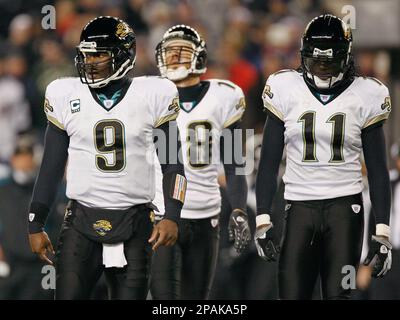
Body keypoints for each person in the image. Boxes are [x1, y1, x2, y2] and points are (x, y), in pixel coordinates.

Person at [27, 16, 186, 300]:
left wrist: (172, 214)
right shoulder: (65, 94)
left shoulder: (153, 94)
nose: (90, 62)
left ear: (124, 55)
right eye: (86, 54)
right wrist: (36, 221)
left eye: (99, 54)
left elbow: (173, 163)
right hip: (80, 220)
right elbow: (50, 166)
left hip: (136, 221)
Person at [255, 14, 392, 300]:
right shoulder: (284, 88)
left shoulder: (366, 94)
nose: (323, 66)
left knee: (341, 294)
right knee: (291, 295)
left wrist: (382, 233)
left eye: (330, 60)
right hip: (298, 208)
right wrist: (263, 219)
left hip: (346, 212)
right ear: (304, 54)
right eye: (317, 59)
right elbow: (268, 163)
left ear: (345, 57)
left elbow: (379, 170)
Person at [150, 25, 249, 299]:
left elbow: (233, 163)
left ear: (199, 57)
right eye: (169, 52)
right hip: (160, 212)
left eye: (182, 51)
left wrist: (239, 207)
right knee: (163, 300)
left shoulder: (224, 97)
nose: (174, 57)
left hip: (206, 214)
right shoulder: (150, 96)